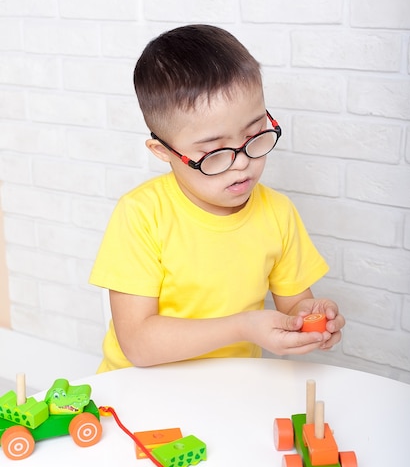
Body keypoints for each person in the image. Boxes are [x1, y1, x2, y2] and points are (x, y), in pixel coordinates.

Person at [89, 24, 344, 372]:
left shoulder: (278, 213)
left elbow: (294, 308)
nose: (242, 164)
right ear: (163, 151)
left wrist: (310, 321)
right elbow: (138, 344)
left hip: (230, 387)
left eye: (256, 135)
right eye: (215, 152)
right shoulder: (141, 214)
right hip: (140, 389)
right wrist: (242, 327)